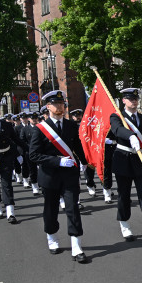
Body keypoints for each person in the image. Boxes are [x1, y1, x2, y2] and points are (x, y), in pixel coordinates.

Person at [29, 90, 89, 263]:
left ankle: (76, 246)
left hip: (70, 175)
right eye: (56, 104)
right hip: (50, 176)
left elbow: (77, 145)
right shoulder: (40, 129)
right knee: (51, 209)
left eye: (62, 104)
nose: (60, 107)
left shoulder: (71, 126)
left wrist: (84, 162)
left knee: (72, 208)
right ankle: (52, 237)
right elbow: (33, 155)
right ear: (48, 107)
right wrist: (57, 161)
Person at [109, 88, 142, 248]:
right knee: (124, 195)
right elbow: (116, 129)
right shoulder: (116, 117)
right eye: (130, 98)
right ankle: (124, 225)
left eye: (135, 98)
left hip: (140, 161)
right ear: (123, 101)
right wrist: (130, 135)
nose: (133, 101)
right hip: (123, 159)